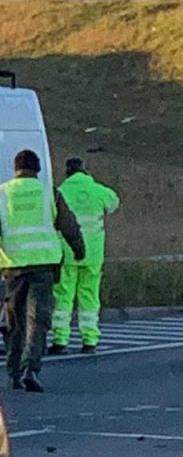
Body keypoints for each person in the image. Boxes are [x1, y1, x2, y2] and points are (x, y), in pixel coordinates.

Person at [0, 150, 84, 392]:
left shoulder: (3, 193)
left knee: (15, 322)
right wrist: (79, 250)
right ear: (37, 169)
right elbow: (69, 225)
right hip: (43, 268)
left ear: (15, 169)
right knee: (38, 320)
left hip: (12, 268)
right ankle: (30, 369)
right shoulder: (49, 193)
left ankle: (13, 373)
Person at [48, 158, 120, 355]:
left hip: (67, 252)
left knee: (63, 297)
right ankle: (90, 340)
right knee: (89, 297)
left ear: (67, 172)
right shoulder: (98, 190)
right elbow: (114, 203)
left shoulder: (60, 191)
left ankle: (60, 340)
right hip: (94, 254)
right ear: (84, 170)